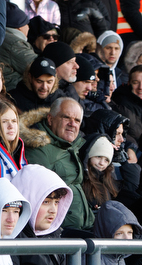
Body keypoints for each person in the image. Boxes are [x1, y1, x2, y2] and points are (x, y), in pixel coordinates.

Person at [24, 97, 93, 231]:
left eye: (77, 120)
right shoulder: (39, 148)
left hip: (83, 226)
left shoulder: (71, 146)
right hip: (60, 230)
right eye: (66, 118)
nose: (72, 124)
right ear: (50, 119)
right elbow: (39, 195)